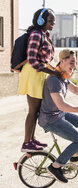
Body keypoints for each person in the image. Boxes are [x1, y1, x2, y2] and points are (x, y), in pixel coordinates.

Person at [38, 49, 78, 183]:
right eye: (71, 62)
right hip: (50, 119)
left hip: (58, 114)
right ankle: (55, 167)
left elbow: (76, 89)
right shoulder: (54, 80)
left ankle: (75, 156)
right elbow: (62, 105)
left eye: (75, 63)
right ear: (62, 60)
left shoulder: (63, 77)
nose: (74, 66)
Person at [18, 8, 59, 152]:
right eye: (50, 21)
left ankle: (32, 139)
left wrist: (55, 70)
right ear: (41, 20)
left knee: (36, 110)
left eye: (54, 21)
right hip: (34, 73)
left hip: (40, 73)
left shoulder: (44, 35)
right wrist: (53, 72)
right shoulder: (36, 34)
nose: (53, 24)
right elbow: (33, 60)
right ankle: (26, 143)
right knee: (33, 110)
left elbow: (45, 60)